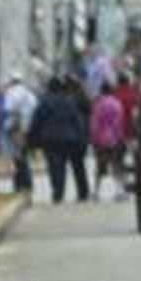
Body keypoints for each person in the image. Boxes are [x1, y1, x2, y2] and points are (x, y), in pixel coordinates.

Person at [28, 75, 91, 204]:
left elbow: (36, 122)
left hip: (51, 139)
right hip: (71, 138)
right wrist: (82, 137)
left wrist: (32, 139)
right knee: (78, 166)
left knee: (55, 166)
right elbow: (77, 120)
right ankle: (83, 192)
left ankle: (58, 193)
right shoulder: (69, 101)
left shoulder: (44, 102)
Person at [89, 79, 129, 199]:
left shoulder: (98, 104)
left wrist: (94, 138)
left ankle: (96, 192)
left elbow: (95, 123)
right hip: (116, 138)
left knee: (100, 166)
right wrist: (119, 136)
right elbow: (120, 121)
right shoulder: (117, 103)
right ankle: (120, 191)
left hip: (101, 139)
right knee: (117, 165)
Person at [0, 71, 38, 195]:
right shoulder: (29, 94)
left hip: (15, 129)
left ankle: (20, 184)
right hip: (28, 130)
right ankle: (27, 184)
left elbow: (8, 109)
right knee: (23, 157)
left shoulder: (11, 93)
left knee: (17, 158)